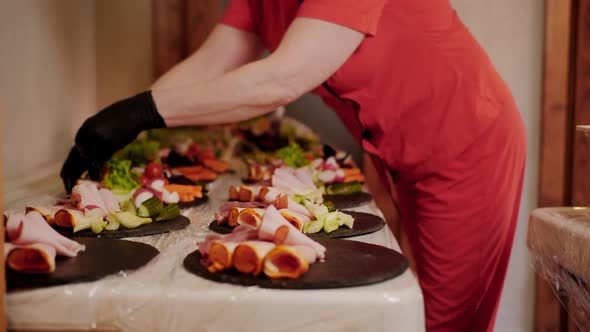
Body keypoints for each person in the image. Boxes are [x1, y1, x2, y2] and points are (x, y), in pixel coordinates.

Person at [60, 1, 526, 331]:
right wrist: (127, 123)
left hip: (468, 140)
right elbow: (214, 62)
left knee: (445, 322)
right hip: (391, 151)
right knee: (410, 309)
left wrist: (139, 113)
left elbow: (282, 79)